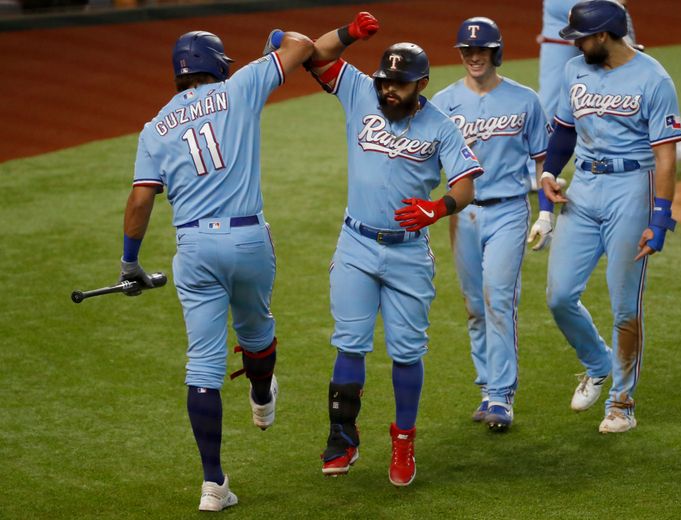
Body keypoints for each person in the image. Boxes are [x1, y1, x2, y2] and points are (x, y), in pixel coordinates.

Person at [118, 29, 313, 511]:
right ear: (218, 64)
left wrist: (130, 263)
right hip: (248, 237)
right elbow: (304, 45)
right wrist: (275, 42)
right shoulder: (240, 86)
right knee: (256, 332)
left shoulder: (154, 127)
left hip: (194, 246)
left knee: (200, 364)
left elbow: (142, 199)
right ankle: (262, 392)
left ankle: (212, 484)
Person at [298, 12, 483, 486]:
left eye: (399, 85)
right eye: (385, 82)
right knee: (349, 342)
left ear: (421, 83)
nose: (388, 91)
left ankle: (403, 442)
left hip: (407, 254)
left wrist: (438, 208)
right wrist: (348, 34)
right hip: (356, 243)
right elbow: (312, 54)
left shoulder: (441, 125)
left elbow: (465, 185)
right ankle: (342, 437)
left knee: (406, 352)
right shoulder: (360, 91)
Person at [539, 0, 681, 433]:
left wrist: (660, 220)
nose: (575, 46)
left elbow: (666, 155)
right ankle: (597, 363)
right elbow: (564, 129)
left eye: (581, 38)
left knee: (624, 304)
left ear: (603, 35)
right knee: (559, 295)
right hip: (583, 188)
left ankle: (622, 403)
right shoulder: (575, 71)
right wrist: (549, 172)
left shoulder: (654, 78)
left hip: (631, 188)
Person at [430, 17, 551, 431]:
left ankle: (501, 395)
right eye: (467, 50)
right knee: (474, 305)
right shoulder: (443, 103)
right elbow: (427, 160)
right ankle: (486, 387)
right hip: (462, 214)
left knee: (499, 298)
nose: (474, 56)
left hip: (509, 210)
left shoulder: (525, 100)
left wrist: (547, 211)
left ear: (495, 52)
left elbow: (543, 161)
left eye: (481, 50)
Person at [537, 0, 681, 156]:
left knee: (549, 97)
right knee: (629, 74)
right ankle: (663, 143)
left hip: (556, 8)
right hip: (596, 7)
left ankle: (531, 169)